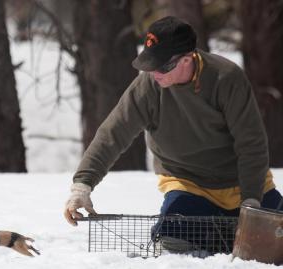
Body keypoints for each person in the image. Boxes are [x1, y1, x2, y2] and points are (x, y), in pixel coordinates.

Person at [63, 16, 282, 228]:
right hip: (188, 185)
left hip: (243, 183)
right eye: (149, 63)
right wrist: (82, 186)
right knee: (175, 240)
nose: (153, 72)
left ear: (187, 59)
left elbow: (251, 143)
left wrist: (252, 201)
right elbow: (112, 134)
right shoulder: (148, 86)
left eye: (161, 66)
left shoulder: (226, 78)